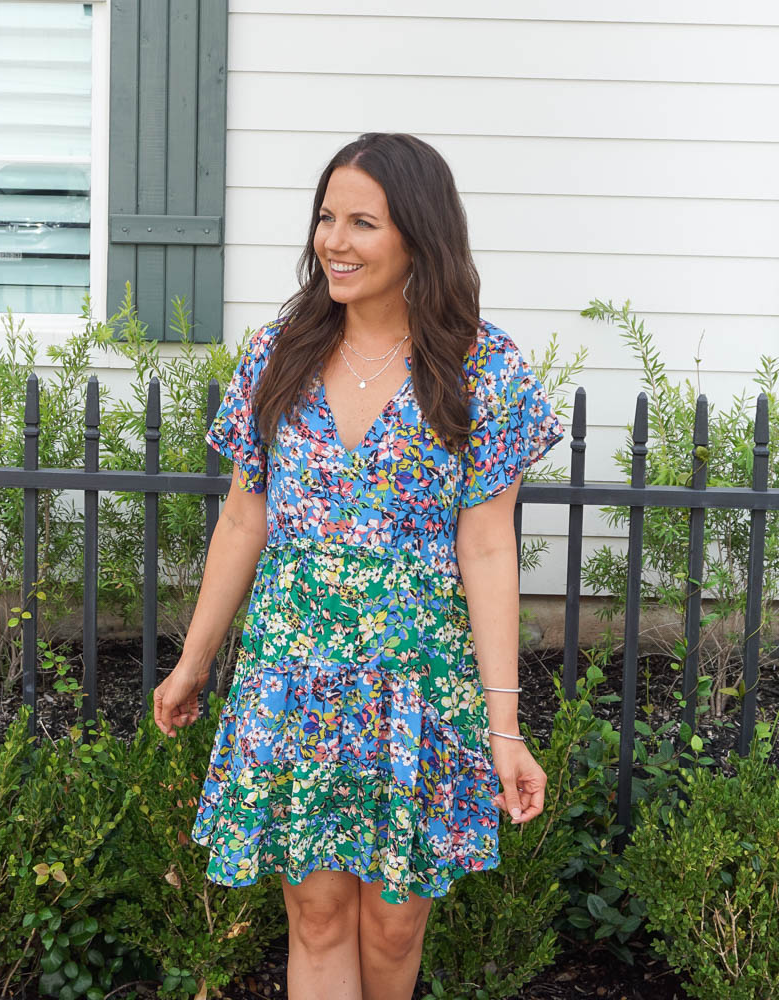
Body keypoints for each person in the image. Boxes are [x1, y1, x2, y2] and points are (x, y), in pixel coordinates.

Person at [153, 132, 565, 1000]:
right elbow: (241, 517)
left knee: (390, 924)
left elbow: (488, 545)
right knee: (318, 917)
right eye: (325, 218)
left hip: (416, 681)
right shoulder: (279, 353)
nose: (333, 241)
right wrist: (194, 661)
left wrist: (505, 730)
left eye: (362, 222)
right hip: (292, 671)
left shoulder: (484, 369)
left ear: (419, 235)